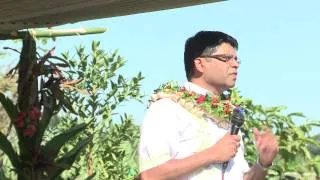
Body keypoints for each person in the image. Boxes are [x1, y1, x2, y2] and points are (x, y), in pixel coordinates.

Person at [138, 31, 278, 180]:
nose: (235, 64)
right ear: (200, 63)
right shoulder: (168, 108)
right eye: (226, 58)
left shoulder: (229, 118)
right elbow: (149, 176)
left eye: (236, 59)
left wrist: (263, 163)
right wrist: (212, 154)